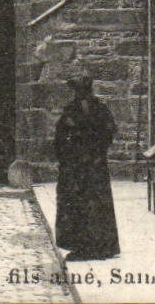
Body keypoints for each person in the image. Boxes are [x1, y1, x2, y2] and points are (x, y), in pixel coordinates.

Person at [53, 59, 120, 262]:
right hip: (89, 165)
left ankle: (88, 246)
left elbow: (61, 137)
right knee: (92, 204)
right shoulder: (95, 109)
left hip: (81, 166)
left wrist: (75, 152)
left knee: (83, 203)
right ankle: (98, 244)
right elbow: (109, 131)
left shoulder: (77, 111)